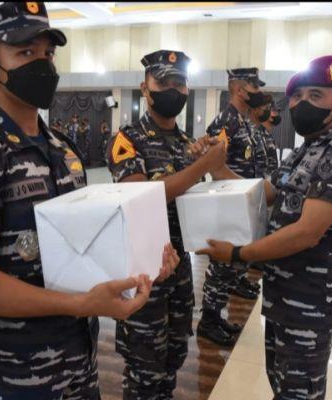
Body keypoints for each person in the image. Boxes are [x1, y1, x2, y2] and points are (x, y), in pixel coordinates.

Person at [0, 3, 179, 399]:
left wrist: (142, 266)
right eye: (25, 52)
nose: (42, 64)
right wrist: (81, 303)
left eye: (47, 53)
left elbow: (83, 247)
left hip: (80, 361)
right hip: (17, 376)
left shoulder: (64, 150)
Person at [197, 55, 332, 400]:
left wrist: (238, 254)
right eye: (298, 96)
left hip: (311, 300)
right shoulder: (305, 152)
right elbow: (263, 191)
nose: (302, 103)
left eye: (316, 95)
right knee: (282, 385)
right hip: (284, 294)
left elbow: (307, 232)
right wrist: (214, 166)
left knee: (299, 393)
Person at [107, 49, 227, 400]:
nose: (173, 89)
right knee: (144, 370)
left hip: (179, 270)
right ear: (145, 89)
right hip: (143, 273)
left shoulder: (189, 144)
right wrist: (201, 166)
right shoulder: (127, 140)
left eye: (180, 83)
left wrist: (210, 163)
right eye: (164, 82)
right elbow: (140, 195)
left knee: (174, 358)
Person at [198, 67, 266, 347]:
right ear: (240, 90)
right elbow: (213, 165)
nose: (259, 93)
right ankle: (209, 320)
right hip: (228, 204)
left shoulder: (243, 122)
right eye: (255, 88)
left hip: (242, 204)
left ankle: (217, 316)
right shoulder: (226, 122)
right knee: (222, 266)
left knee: (234, 265)